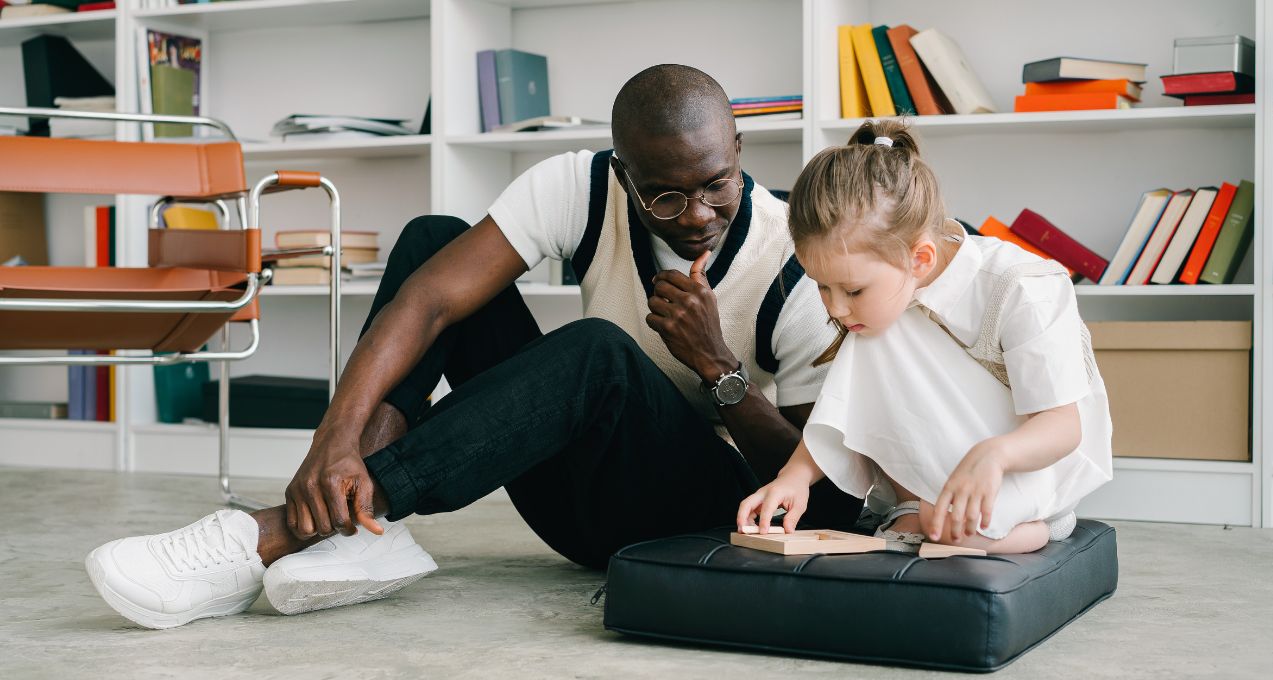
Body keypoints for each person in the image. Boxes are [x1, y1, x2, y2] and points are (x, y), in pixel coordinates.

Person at [84, 64, 863, 629]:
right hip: (572, 503)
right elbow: (426, 302)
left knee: (597, 354)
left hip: (694, 518)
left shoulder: (795, 266)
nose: (696, 214)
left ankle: (276, 533)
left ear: (738, 148)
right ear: (623, 173)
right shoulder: (580, 188)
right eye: (665, 193)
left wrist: (719, 370)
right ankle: (358, 526)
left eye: (716, 183)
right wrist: (333, 440)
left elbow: (823, 505)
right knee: (434, 243)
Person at [737, 120, 1113, 554]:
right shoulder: (879, 299)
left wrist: (996, 455)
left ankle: (1047, 522)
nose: (835, 308)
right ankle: (916, 501)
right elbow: (842, 406)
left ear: (921, 258)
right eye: (823, 286)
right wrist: (794, 477)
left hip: (1030, 460)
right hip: (946, 469)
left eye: (852, 289)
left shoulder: (1023, 286)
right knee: (873, 327)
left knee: (948, 523)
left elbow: (1064, 427)